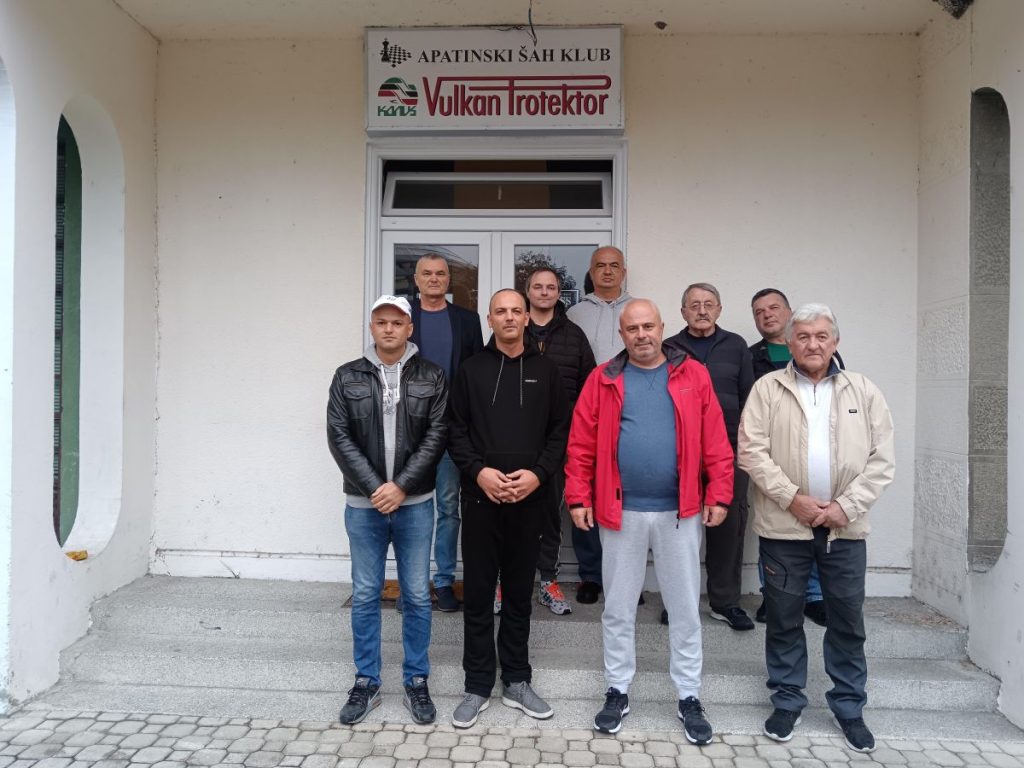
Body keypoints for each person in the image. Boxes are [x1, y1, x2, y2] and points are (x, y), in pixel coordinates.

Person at [565, 298, 734, 743]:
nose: (641, 335)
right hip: (620, 512)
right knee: (619, 608)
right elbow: (581, 444)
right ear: (622, 335)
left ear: (662, 328)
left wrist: (719, 492)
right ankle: (617, 690)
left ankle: (689, 695)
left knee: (684, 608)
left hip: (680, 511)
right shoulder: (603, 378)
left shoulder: (693, 375)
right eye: (632, 328)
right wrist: (578, 496)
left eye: (648, 326)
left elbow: (716, 440)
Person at [738, 303, 894, 753]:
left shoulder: (863, 390)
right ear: (790, 343)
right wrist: (793, 499)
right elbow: (751, 451)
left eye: (821, 336)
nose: (812, 344)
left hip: (845, 528)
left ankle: (849, 707)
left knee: (847, 620)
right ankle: (787, 700)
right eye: (803, 336)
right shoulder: (768, 388)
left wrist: (846, 506)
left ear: (835, 341)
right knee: (784, 619)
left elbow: (882, 459)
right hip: (784, 526)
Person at [447, 288, 570, 728]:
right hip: (481, 499)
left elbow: (560, 431)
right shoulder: (471, 370)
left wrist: (538, 474)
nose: (510, 318)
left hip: (529, 500)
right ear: (490, 319)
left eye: (516, 311)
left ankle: (517, 680)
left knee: (519, 595)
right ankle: (478, 684)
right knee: (479, 595)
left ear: (527, 318)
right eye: (501, 311)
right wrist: (479, 471)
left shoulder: (547, 371)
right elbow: (455, 430)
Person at [327, 295, 449, 725]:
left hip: (415, 505)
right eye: (381, 322)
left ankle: (416, 679)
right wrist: (377, 488)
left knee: (416, 594)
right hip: (365, 505)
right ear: (372, 327)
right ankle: (367, 681)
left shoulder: (432, 375)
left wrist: (401, 487)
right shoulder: (347, 376)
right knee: (365, 594)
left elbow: (437, 435)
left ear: (410, 328)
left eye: (397, 322)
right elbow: (338, 436)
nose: (389, 329)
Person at [664, 283, 755, 631]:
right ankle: (677, 603)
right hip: (681, 454)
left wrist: (744, 449)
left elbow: (749, 401)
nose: (702, 311)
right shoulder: (669, 348)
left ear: (719, 309)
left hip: (728, 451)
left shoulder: (736, 346)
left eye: (708, 304)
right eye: (694, 305)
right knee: (678, 531)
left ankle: (725, 602)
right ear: (683, 312)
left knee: (728, 528)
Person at [409, 253, 484, 612]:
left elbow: (477, 375)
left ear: (448, 279)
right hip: (411, 430)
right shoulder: (404, 316)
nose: (434, 278)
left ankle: (443, 581)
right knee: (410, 508)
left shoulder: (467, 321)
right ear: (416, 279)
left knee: (449, 508)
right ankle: (413, 583)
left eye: (440, 273)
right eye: (427, 273)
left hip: (452, 429)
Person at [749, 288, 826, 627]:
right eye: (759, 311)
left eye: (773, 307)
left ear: (790, 311)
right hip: (772, 454)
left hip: (816, 452)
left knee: (816, 520)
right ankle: (773, 595)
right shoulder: (751, 357)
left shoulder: (820, 353)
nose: (766, 314)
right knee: (773, 525)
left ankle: (814, 595)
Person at [523, 265, 597, 616]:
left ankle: (547, 581)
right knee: (512, 512)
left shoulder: (574, 335)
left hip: (559, 441)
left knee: (552, 513)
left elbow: (588, 388)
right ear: (528, 291)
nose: (544, 292)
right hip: (515, 438)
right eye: (537, 286)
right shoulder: (513, 328)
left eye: (550, 287)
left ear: (558, 292)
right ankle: (508, 580)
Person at [565, 245, 632, 604]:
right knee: (586, 491)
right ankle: (591, 574)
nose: (607, 271)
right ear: (591, 273)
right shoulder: (574, 313)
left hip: (631, 414)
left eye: (614, 266)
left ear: (624, 272)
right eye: (600, 266)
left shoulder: (637, 310)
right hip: (588, 414)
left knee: (626, 496)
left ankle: (626, 576)